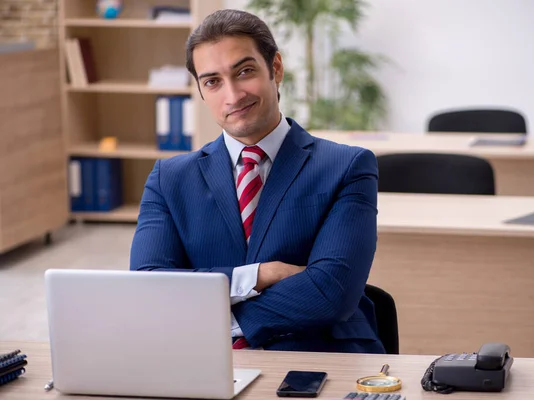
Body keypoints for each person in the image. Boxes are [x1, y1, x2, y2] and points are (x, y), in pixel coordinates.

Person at [130, 9, 384, 354]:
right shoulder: (169, 179)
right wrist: (260, 275)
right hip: (200, 358)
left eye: (244, 71)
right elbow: (148, 287)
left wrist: (216, 316)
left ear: (275, 68)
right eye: (213, 81)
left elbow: (331, 291)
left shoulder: (347, 166)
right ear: (202, 91)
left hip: (319, 353)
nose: (232, 96)